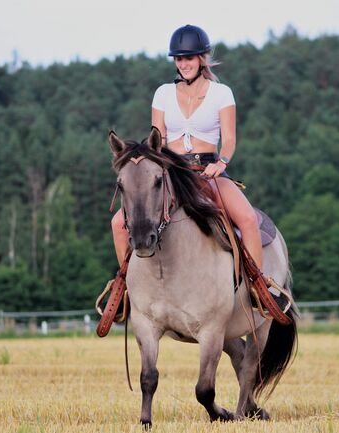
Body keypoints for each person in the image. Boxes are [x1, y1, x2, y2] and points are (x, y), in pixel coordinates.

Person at [111, 24, 264, 274]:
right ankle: (126, 288)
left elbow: (229, 140)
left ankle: (261, 289)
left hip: (208, 170)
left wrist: (222, 162)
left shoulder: (222, 94)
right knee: (118, 223)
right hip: (173, 172)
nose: (183, 64)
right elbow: (156, 141)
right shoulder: (163, 94)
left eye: (188, 58)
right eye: (179, 59)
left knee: (247, 219)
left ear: (201, 59)